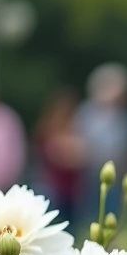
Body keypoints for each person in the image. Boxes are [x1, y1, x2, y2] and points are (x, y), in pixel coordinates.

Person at [76, 62, 127, 219]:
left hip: (117, 171)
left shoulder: (123, 116)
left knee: (112, 211)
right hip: (90, 171)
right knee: (92, 211)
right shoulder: (88, 112)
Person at [32, 88, 86, 229]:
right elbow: (61, 157)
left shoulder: (74, 130)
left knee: (70, 225)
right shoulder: (50, 131)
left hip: (71, 188)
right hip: (53, 186)